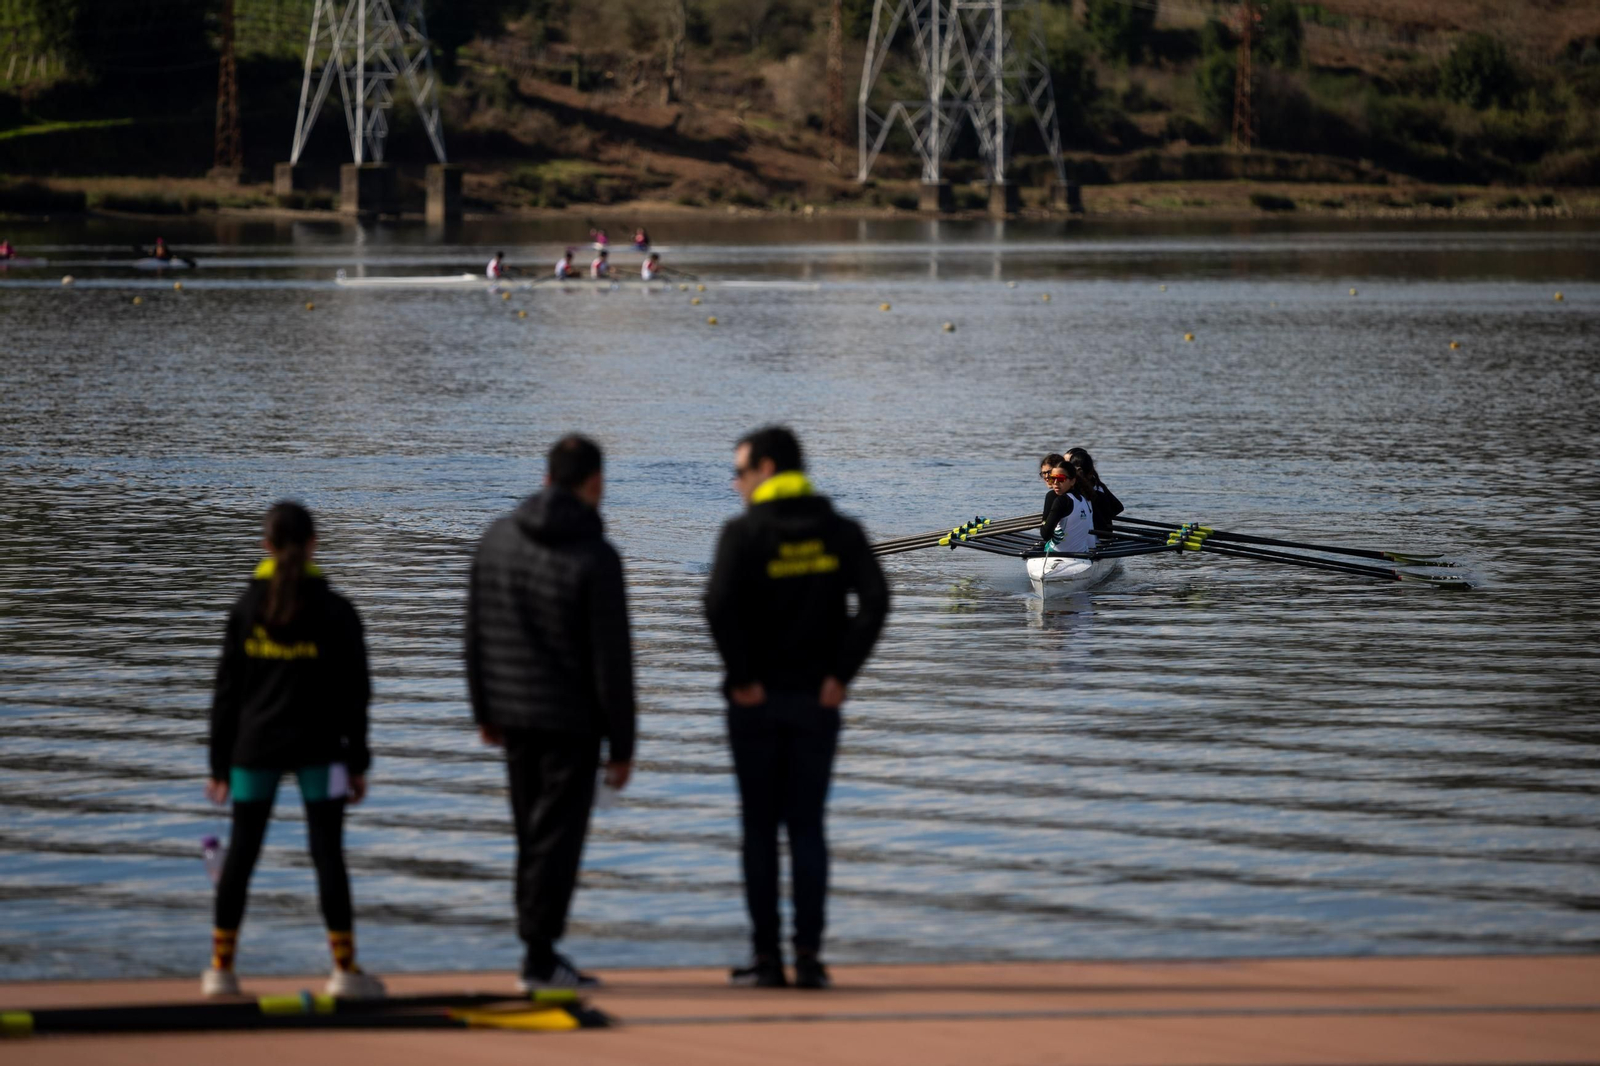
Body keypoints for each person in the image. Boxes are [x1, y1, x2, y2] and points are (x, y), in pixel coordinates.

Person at [705, 426, 890, 991]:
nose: (735, 484)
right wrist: (841, 675)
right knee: (807, 826)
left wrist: (741, 677)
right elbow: (876, 602)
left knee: (760, 829)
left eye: (739, 472)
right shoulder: (840, 531)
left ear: (765, 469)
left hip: (755, 703)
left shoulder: (744, 532)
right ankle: (808, 958)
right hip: (818, 699)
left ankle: (766, 960)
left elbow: (717, 605)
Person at [464, 434, 636, 991]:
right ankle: (539, 958)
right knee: (555, 840)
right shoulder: (595, 555)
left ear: (544, 478)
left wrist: (483, 709)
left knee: (529, 833)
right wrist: (623, 746)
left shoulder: (496, 538)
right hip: (571, 721)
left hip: (512, 714)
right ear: (594, 484)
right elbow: (613, 660)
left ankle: (535, 949)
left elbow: (474, 632)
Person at [204, 502, 382, 1000]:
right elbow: (357, 694)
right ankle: (345, 974)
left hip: (251, 750)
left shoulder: (245, 610)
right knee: (328, 855)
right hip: (322, 751)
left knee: (242, 853)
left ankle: (220, 971)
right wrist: (359, 760)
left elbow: (226, 695)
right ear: (314, 544)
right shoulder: (337, 610)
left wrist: (218, 766)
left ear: (265, 546)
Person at [1040, 461, 1095, 555]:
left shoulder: (1061, 501)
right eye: (1052, 479)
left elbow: (1045, 534)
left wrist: (1044, 521)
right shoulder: (1083, 499)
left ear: (1072, 481)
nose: (1056, 483)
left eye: (1061, 479)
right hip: (1081, 555)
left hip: (1057, 553)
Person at [1065, 447, 1123, 536]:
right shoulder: (1098, 485)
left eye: (1067, 464)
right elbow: (1118, 508)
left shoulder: (1091, 491)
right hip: (1103, 534)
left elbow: (1118, 507)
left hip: (1095, 537)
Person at [1037, 452, 1066, 522]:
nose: (1047, 476)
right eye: (1044, 473)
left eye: (1049, 472)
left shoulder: (1052, 496)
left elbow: (1045, 531)